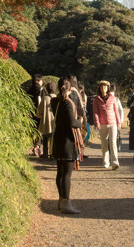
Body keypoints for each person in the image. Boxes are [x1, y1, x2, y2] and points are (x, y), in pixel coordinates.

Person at [51, 77, 84, 214]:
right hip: (68, 141)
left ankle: (61, 200)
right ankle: (66, 202)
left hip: (58, 138)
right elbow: (72, 122)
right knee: (67, 174)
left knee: (60, 172)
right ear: (70, 89)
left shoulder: (55, 101)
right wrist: (80, 122)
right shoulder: (68, 103)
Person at [92, 80, 123, 170]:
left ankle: (115, 162)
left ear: (108, 88)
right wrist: (97, 122)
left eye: (105, 86)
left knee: (113, 143)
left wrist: (119, 122)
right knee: (104, 144)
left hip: (112, 123)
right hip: (102, 124)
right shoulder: (97, 99)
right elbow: (95, 112)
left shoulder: (112, 98)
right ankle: (106, 162)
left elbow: (116, 111)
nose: (103, 88)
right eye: (102, 86)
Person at [25, 74, 45, 156]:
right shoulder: (40, 90)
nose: (42, 82)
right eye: (41, 80)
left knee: (33, 130)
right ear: (38, 81)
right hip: (39, 113)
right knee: (39, 130)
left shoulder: (29, 90)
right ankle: (37, 147)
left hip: (31, 113)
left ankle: (35, 146)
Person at [37, 81, 56, 159]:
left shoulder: (45, 98)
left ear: (47, 90)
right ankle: (52, 154)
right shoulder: (57, 97)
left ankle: (45, 154)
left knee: (45, 139)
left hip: (46, 122)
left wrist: (41, 117)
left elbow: (38, 112)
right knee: (53, 139)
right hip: (54, 122)